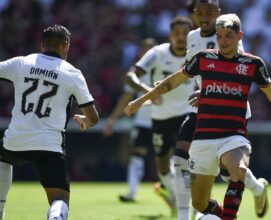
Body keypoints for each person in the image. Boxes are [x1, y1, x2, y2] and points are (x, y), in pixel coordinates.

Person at [124, 14, 271, 220]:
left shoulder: (252, 63)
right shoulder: (203, 58)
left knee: (239, 170)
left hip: (233, 135)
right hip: (203, 138)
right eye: (220, 36)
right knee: (199, 203)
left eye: (228, 36)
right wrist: (139, 101)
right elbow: (170, 82)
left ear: (239, 36)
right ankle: (226, 212)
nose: (223, 41)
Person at [173, 1, 266, 219]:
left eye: (209, 13)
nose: (204, 17)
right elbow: (193, 69)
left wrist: (206, 92)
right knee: (179, 158)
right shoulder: (192, 37)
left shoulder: (228, 35)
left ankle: (256, 189)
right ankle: (186, 215)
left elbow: (231, 72)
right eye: (200, 13)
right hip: (201, 110)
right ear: (194, 15)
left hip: (230, 111)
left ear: (218, 13)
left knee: (228, 172)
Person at [0, 24, 99, 220]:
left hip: (15, 140)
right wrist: (86, 121)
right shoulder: (72, 73)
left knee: (2, 158)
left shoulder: (22, 62)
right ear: (66, 45)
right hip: (49, 146)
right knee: (59, 200)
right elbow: (94, 117)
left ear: (42, 45)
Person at [125, 16, 194, 216]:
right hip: (160, 117)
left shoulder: (196, 53)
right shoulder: (158, 52)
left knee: (184, 159)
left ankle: (190, 206)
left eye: (185, 33)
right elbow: (130, 76)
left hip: (187, 113)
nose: (181, 37)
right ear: (170, 35)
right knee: (162, 168)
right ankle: (173, 195)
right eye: (177, 33)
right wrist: (148, 91)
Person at [103, 38, 157, 202]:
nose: (147, 53)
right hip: (143, 122)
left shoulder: (167, 67)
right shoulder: (136, 73)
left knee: (168, 159)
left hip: (165, 119)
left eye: (150, 50)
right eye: (144, 49)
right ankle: (132, 192)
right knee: (137, 155)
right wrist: (112, 119)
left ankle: (175, 195)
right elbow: (126, 96)